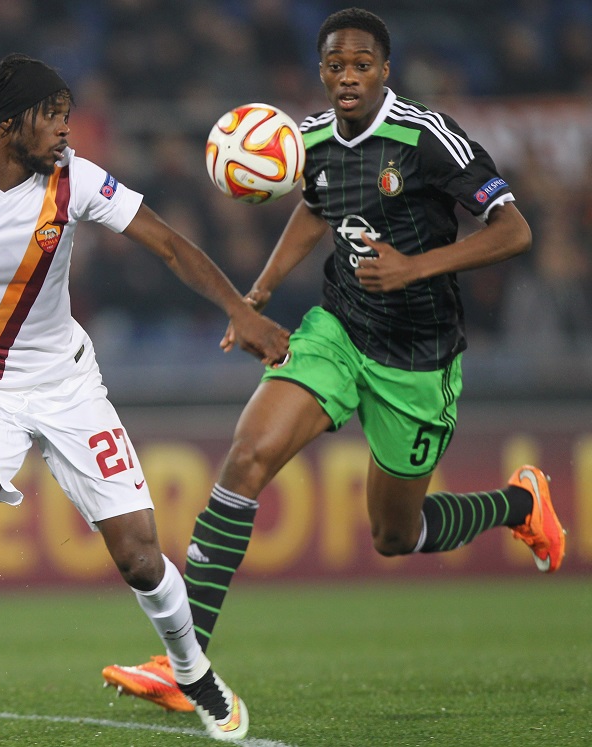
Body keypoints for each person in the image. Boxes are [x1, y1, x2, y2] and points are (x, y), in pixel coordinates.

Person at [0, 53, 291, 743]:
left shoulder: (74, 180)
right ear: (10, 125)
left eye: (68, 117)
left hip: (67, 384)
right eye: (54, 117)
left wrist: (239, 311)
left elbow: (166, 243)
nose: (66, 130)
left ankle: (192, 670)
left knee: (139, 555)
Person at [101, 6, 566, 712]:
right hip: (339, 331)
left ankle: (521, 503)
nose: (347, 77)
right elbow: (315, 208)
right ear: (321, 72)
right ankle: (183, 664)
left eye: (361, 66)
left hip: (418, 357)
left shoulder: (428, 138)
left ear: (385, 71)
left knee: (395, 534)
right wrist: (258, 291)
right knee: (248, 456)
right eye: (335, 66)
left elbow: (514, 229)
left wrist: (414, 267)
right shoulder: (310, 140)